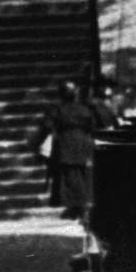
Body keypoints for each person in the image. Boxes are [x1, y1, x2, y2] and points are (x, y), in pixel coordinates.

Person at [36, 78, 99, 218]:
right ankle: (77, 207)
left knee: (68, 177)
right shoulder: (85, 109)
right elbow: (93, 126)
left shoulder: (57, 109)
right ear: (75, 93)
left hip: (64, 144)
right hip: (83, 145)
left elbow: (46, 126)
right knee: (80, 176)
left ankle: (78, 207)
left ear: (61, 94)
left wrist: (40, 141)